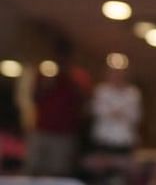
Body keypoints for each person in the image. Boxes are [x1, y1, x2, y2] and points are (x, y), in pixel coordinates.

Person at [23, 43, 87, 177]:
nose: (60, 59)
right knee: (33, 168)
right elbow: (34, 97)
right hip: (41, 129)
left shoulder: (76, 75)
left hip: (64, 133)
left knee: (58, 171)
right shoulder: (45, 72)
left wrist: (68, 76)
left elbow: (83, 100)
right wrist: (46, 84)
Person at [89, 63, 143, 155]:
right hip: (103, 138)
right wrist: (119, 113)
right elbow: (97, 110)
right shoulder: (101, 90)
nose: (117, 76)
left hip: (125, 139)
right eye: (113, 73)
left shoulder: (133, 93)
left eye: (120, 73)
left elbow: (136, 116)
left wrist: (115, 112)